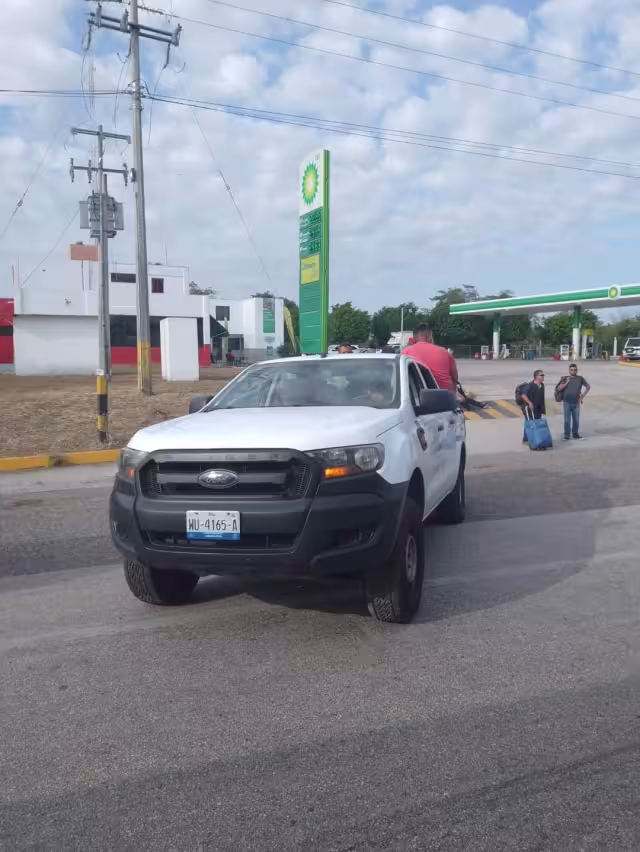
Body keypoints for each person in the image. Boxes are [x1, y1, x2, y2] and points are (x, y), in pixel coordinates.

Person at [402, 323, 458, 391]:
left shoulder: (405, 352)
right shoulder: (446, 353)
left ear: (414, 337)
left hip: (417, 393)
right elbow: (455, 377)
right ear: (429, 336)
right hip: (445, 394)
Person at [557, 363, 590, 440]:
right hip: (567, 402)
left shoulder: (580, 378)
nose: (573, 371)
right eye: (571, 370)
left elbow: (588, 387)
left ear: (577, 370)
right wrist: (567, 382)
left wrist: (582, 397)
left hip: (576, 403)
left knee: (576, 420)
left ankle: (575, 434)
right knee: (567, 420)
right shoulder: (565, 378)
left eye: (575, 370)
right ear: (569, 370)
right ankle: (567, 435)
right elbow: (559, 388)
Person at [520, 369, 546, 444]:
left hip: (538, 408)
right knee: (529, 423)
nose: (543, 376)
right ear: (536, 376)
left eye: (543, 375)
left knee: (537, 423)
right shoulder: (530, 385)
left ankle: (535, 437)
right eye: (541, 375)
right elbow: (523, 395)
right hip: (529, 408)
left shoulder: (542, 385)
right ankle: (526, 439)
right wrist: (529, 403)